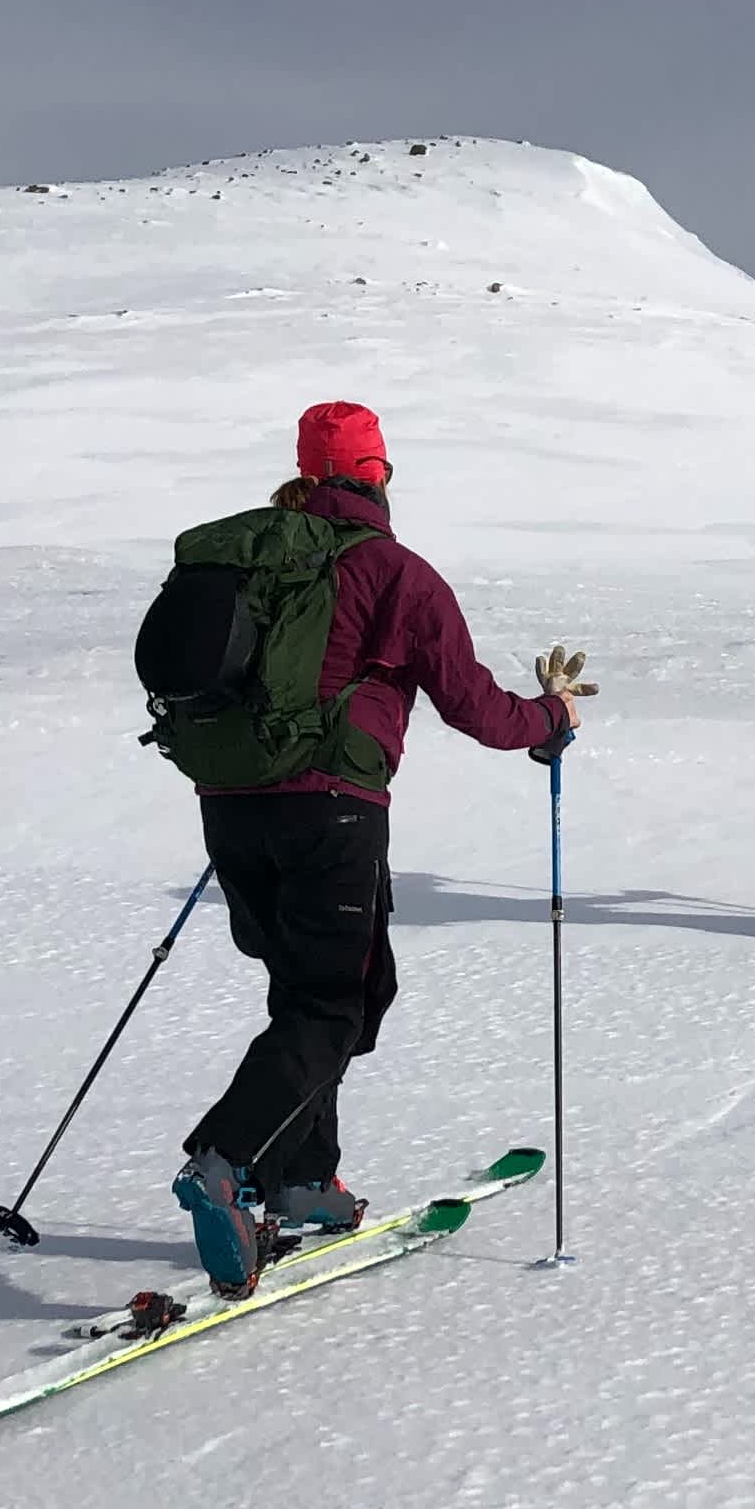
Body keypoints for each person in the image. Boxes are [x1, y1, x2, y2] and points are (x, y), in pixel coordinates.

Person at [153, 400, 594, 1294]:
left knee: (332, 991)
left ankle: (305, 1180)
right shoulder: (393, 571)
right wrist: (549, 718)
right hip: (333, 809)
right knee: (331, 1006)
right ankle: (224, 1164)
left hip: (231, 805)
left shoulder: (254, 562)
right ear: (379, 476)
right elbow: (471, 703)